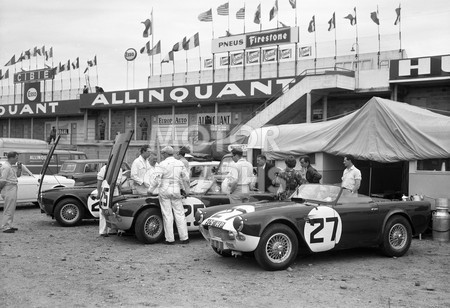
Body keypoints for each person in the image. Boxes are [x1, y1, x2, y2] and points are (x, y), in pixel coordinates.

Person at [148, 146, 190, 245]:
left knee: (167, 214)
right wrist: (185, 190)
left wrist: (150, 190)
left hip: (165, 189)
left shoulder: (162, 164)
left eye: (163, 153)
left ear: (166, 154)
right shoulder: (180, 163)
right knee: (179, 214)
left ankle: (170, 239)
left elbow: (156, 178)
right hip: (176, 189)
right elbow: (186, 178)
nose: (162, 155)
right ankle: (184, 237)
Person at [96, 164, 123, 237]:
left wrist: (121, 191)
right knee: (104, 211)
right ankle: (103, 231)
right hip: (105, 190)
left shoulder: (120, 169)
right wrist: (98, 193)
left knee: (115, 210)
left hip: (115, 191)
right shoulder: (104, 168)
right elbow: (99, 181)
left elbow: (119, 182)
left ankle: (113, 229)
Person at [0, 152, 22, 233]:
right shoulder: (6, 167)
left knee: (11, 207)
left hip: (12, 187)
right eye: (16, 158)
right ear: (11, 158)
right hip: (8, 188)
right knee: (9, 208)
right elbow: (3, 180)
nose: (17, 159)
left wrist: (19, 168)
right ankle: (5, 226)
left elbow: (17, 175)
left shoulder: (10, 167)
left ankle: (9, 225)